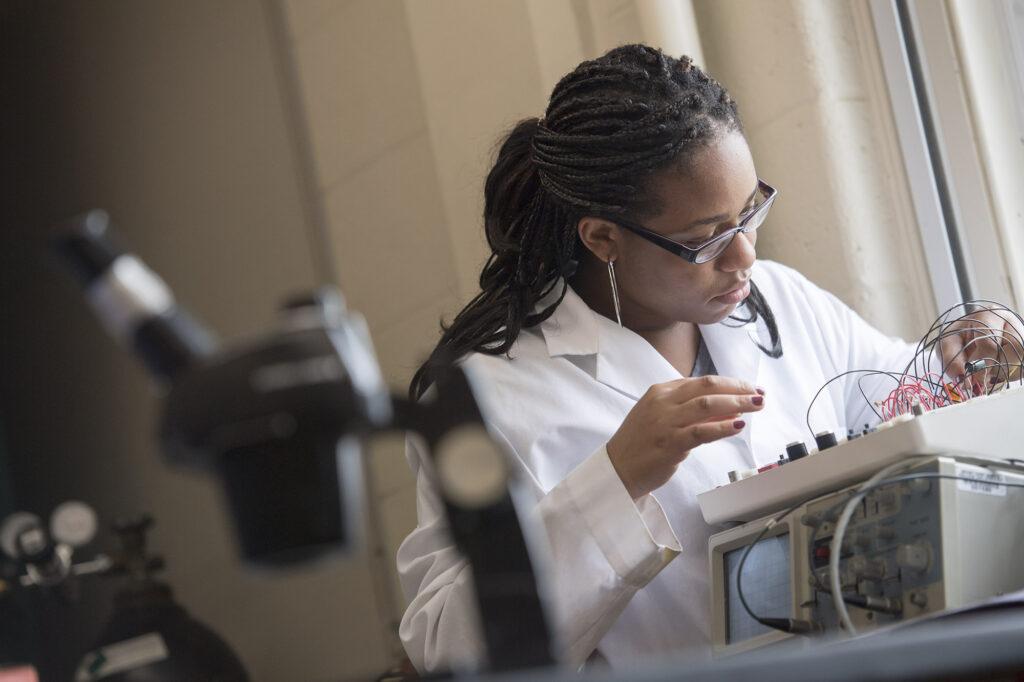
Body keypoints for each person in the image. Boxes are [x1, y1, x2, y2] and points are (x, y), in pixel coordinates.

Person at [395, 44, 1022, 672]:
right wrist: (617, 479)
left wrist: (973, 358)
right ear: (603, 237)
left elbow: (903, 397)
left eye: (749, 214)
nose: (744, 256)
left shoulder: (782, 300)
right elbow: (448, 651)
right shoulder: (493, 396)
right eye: (706, 240)